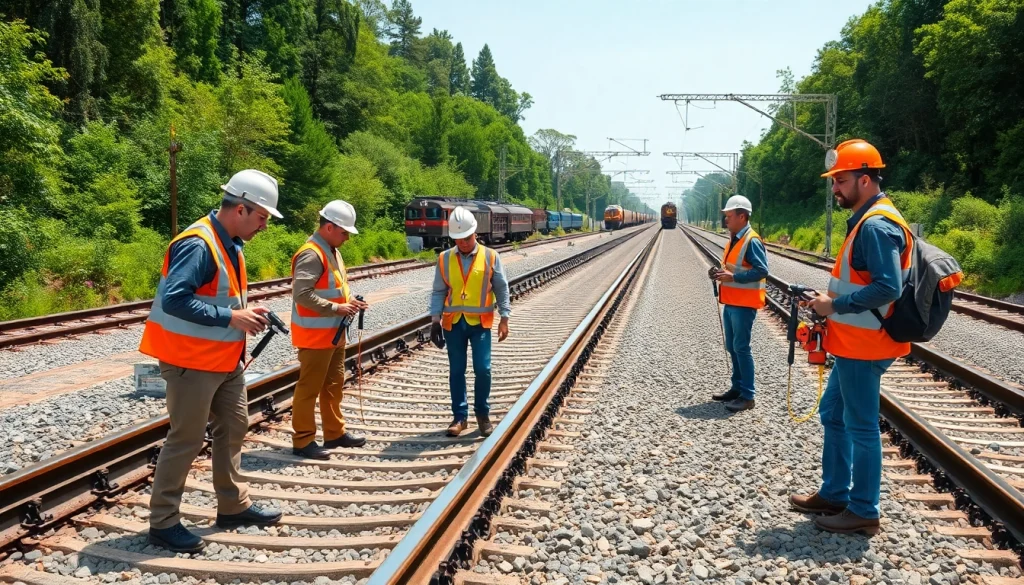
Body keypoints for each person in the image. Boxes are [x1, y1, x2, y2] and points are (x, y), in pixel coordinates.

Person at [139, 169, 284, 552]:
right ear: (241, 208)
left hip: (224, 359)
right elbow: (175, 299)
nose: (265, 226)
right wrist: (231, 317)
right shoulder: (199, 244)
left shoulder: (230, 242)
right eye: (263, 217)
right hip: (191, 362)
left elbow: (219, 297)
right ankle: (163, 521)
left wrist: (246, 311)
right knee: (185, 438)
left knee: (235, 426)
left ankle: (233, 506)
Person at [790, 139, 913, 536]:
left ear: (864, 178)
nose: (835, 189)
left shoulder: (876, 225)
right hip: (853, 345)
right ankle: (835, 493)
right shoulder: (868, 219)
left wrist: (834, 306)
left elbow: (888, 287)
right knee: (832, 414)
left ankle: (863, 511)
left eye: (840, 180)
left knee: (861, 426)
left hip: (867, 345)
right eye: (834, 181)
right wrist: (829, 302)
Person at [289, 200, 369, 460]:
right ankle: (303, 440)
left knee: (334, 385)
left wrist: (350, 304)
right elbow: (302, 294)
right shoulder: (312, 254)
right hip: (315, 336)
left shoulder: (332, 249)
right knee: (308, 388)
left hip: (334, 335)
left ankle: (334, 433)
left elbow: (335, 290)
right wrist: (336, 309)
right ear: (330, 227)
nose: (347, 237)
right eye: (345, 232)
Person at [428, 206, 511, 437]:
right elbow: (438, 291)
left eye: (466, 238)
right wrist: (435, 321)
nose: (463, 243)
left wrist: (505, 317)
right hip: (453, 324)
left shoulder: (491, 256)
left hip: (480, 324)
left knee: (483, 369)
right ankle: (460, 417)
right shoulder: (444, 259)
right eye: (458, 239)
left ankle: (482, 415)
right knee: (457, 370)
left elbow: (501, 288)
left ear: (475, 233)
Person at [711, 195, 769, 412]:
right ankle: (737, 387)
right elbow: (733, 267)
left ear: (742, 216)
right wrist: (720, 274)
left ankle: (748, 395)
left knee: (741, 348)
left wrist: (733, 278)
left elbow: (762, 271)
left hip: (744, 304)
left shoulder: (751, 240)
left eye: (729, 216)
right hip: (732, 302)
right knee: (732, 347)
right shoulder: (735, 238)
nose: (726, 220)